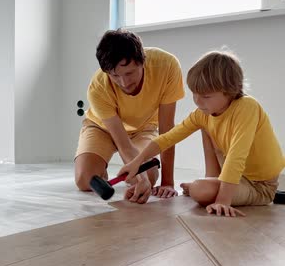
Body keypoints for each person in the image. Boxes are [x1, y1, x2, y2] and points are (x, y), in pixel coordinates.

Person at [118, 50, 284, 216]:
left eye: (205, 96)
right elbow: (168, 138)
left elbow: (236, 156)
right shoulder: (204, 113)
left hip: (260, 185)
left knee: (200, 190)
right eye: (194, 94)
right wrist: (137, 161)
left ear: (230, 91)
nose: (197, 101)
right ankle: (209, 183)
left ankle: (208, 187)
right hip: (238, 177)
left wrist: (222, 201)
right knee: (205, 124)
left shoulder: (247, 107)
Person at [75, 29, 185, 203]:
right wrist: (140, 179)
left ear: (143, 62)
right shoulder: (98, 88)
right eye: (115, 76)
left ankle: (137, 175)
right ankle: (99, 166)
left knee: (149, 175)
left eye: (129, 73)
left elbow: (166, 131)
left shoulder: (167, 66)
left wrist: (167, 183)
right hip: (101, 128)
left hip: (143, 128)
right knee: (85, 180)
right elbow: (124, 145)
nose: (124, 83)